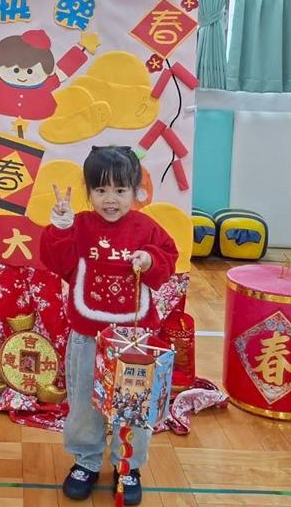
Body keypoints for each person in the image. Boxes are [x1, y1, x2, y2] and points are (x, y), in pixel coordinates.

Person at [40, 146, 179, 505]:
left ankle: (127, 465)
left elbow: (168, 260)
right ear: (88, 192)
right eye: (100, 190)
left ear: (136, 191)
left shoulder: (147, 229)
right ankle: (86, 460)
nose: (110, 199)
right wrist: (60, 228)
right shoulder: (80, 226)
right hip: (88, 335)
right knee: (84, 402)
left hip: (135, 339)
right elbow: (57, 262)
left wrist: (150, 259)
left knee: (133, 405)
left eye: (120, 190)